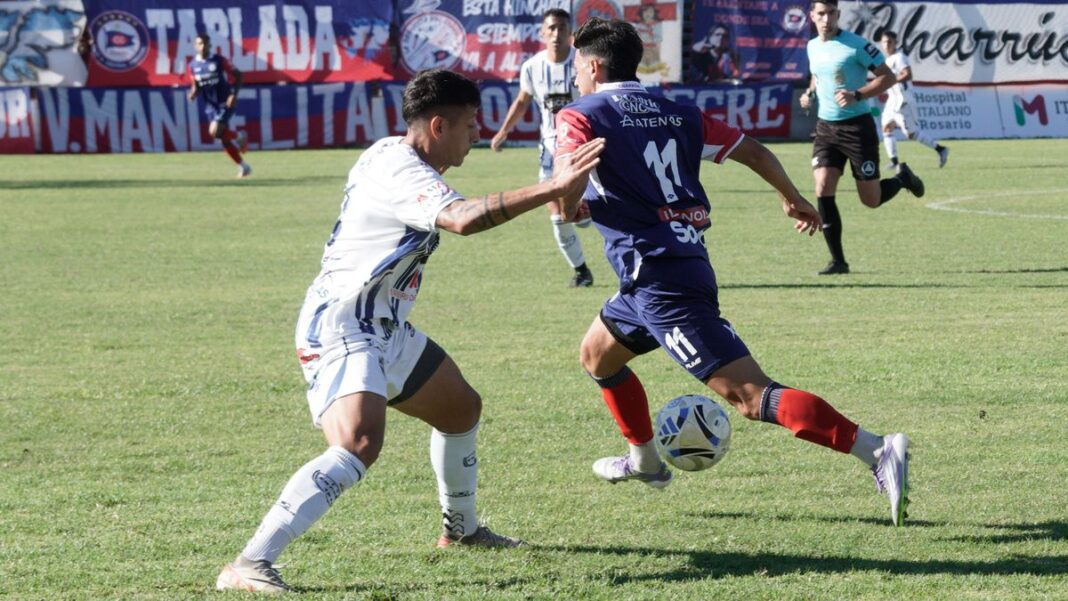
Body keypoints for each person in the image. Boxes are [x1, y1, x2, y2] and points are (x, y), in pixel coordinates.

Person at [215, 69, 605, 593]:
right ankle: (248, 564)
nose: (477, 132)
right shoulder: (402, 170)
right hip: (344, 324)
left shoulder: (399, 156)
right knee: (357, 442)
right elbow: (463, 219)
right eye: (470, 124)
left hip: (383, 325)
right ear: (439, 125)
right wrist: (550, 189)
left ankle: (461, 531)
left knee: (460, 407)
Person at [552, 17, 910, 528]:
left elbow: (565, 207)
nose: (576, 79)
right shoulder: (678, 109)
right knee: (597, 356)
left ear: (591, 65)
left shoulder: (579, 115)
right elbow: (754, 151)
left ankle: (876, 450)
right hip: (670, 267)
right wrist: (792, 197)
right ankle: (646, 461)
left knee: (749, 396)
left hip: (662, 283)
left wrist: (572, 195)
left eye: (578, 69)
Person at [798, 0, 925, 276]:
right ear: (812, 16)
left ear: (838, 14)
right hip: (826, 128)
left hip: (857, 128)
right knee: (822, 188)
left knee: (870, 199)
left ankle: (903, 179)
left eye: (831, 13)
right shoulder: (812, 46)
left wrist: (858, 95)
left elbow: (888, 78)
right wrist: (810, 94)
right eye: (821, 13)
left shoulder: (857, 45)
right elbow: (817, 77)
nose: (826, 18)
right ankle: (838, 262)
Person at [490, 9, 595, 288]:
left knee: (585, 214)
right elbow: (523, 101)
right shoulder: (532, 67)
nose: (556, 34)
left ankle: (590, 214)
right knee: (558, 213)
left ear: (570, 32)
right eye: (551, 28)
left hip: (583, 147)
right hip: (550, 149)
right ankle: (581, 270)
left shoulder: (583, 63)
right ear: (542, 33)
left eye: (562, 28)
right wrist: (503, 131)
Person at [879, 31, 949, 171]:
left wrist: (890, 81)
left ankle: (940, 149)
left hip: (903, 101)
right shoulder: (886, 60)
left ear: (895, 43)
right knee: (886, 127)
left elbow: (908, 74)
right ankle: (894, 161)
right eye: (885, 42)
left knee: (911, 134)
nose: (887, 45)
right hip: (892, 100)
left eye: (890, 42)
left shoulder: (900, 57)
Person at [188, 32, 251, 178]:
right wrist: (193, 93)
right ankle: (243, 166)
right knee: (223, 138)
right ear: (195, 46)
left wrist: (234, 94)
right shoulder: (192, 65)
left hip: (225, 101)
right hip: (211, 107)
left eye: (205, 43)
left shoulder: (218, 60)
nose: (203, 46)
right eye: (200, 43)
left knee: (214, 131)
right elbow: (195, 85)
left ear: (210, 45)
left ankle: (240, 136)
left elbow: (239, 75)